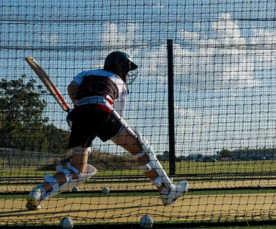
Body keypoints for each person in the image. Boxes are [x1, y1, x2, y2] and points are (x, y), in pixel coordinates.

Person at [26, 51, 188, 210]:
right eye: (127, 68)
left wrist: (79, 111)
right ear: (118, 66)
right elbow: (117, 114)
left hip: (80, 115)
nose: (128, 73)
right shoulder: (120, 83)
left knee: (76, 170)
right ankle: (166, 191)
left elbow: (71, 89)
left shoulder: (86, 73)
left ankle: (39, 191)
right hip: (103, 111)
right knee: (141, 151)